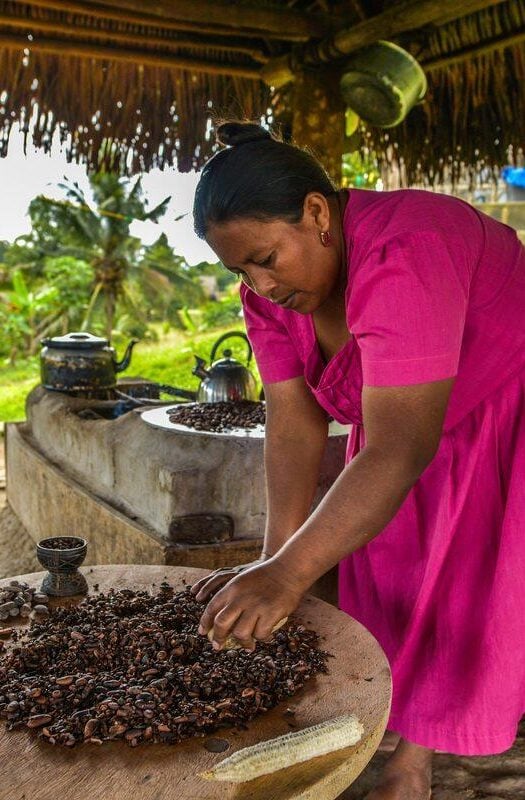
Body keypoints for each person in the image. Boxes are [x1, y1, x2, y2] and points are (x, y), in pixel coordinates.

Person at [189, 121, 525, 800]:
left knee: (467, 589)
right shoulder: (268, 298)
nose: (257, 283)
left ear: (316, 214)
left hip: (502, 409)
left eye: (265, 258)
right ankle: (404, 738)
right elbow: (292, 420)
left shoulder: (409, 246)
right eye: (239, 271)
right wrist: (276, 561)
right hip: (402, 427)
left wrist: (290, 574)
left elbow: (400, 446)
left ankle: (413, 763)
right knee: (391, 576)